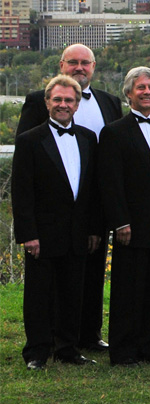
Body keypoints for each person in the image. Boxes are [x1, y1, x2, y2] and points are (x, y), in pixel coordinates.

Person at [17, 44, 122, 353]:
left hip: (91, 211)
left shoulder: (110, 102)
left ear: (93, 67)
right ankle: (42, 343)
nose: (79, 67)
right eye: (73, 62)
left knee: (86, 280)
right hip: (48, 215)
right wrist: (28, 228)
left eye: (85, 63)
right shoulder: (37, 102)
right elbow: (26, 169)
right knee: (44, 285)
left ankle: (85, 336)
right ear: (61, 65)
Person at [13, 75, 102, 370]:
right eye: (58, 99)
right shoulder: (29, 140)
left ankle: (67, 348)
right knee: (39, 294)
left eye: (69, 100)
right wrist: (28, 234)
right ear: (47, 102)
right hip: (43, 232)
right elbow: (22, 192)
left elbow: (91, 191)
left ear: (77, 105)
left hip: (78, 232)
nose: (63, 104)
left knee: (72, 292)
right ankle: (37, 352)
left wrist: (93, 229)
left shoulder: (89, 138)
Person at [99, 67, 150, 367]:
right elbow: (111, 183)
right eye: (141, 88)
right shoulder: (114, 132)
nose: (147, 92)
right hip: (131, 227)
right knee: (128, 291)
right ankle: (123, 351)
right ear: (129, 93)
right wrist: (120, 221)